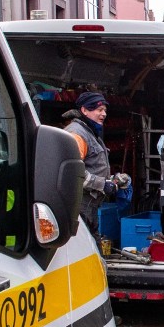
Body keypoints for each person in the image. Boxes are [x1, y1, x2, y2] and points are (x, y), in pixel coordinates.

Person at [62, 91, 118, 246]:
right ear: (84, 110)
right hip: (79, 206)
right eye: (99, 110)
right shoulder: (77, 135)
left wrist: (113, 180)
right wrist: (101, 184)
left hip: (88, 206)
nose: (104, 114)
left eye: (105, 110)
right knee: (86, 248)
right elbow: (73, 174)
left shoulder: (91, 132)